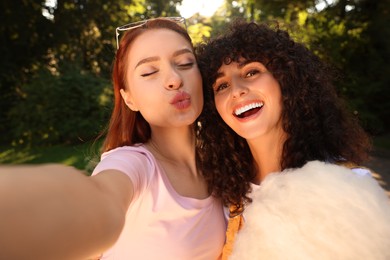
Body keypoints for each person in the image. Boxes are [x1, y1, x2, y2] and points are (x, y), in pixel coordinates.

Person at [0, 17, 227, 260]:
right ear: (129, 99)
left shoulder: (223, 162)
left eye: (185, 63)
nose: (174, 79)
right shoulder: (133, 164)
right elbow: (97, 199)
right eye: (149, 72)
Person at [196, 20, 390, 259]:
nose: (236, 90)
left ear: (286, 80)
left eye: (251, 72)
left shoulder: (347, 188)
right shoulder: (219, 200)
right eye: (221, 85)